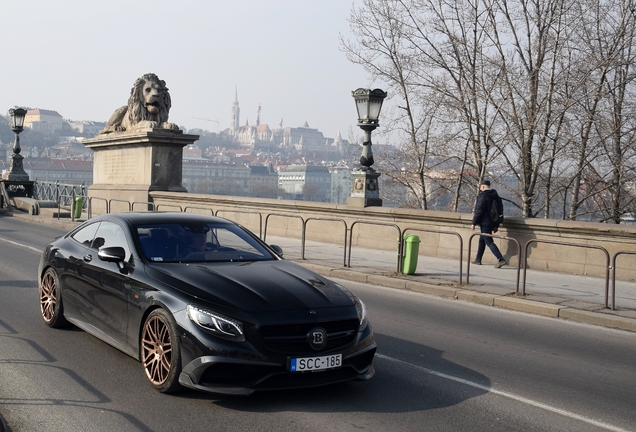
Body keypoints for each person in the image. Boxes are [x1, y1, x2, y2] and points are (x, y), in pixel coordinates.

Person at [471, 180, 507, 268]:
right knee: (482, 240)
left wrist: (474, 223)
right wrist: (496, 224)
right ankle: (478, 259)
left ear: (483, 187)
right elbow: (500, 211)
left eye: (480, 188)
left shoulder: (483, 196)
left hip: (485, 222)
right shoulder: (496, 196)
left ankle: (500, 259)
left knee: (488, 241)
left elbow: (479, 210)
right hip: (492, 221)